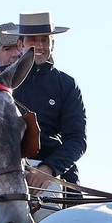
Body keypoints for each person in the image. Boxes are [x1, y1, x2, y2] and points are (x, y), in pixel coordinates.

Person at [8, 11, 86, 185]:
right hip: (5, 169)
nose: (40, 45)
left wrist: (48, 168)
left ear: (53, 44)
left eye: (45, 40)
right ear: (20, 44)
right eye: (32, 40)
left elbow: (77, 139)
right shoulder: (2, 81)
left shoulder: (66, 84)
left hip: (52, 170)